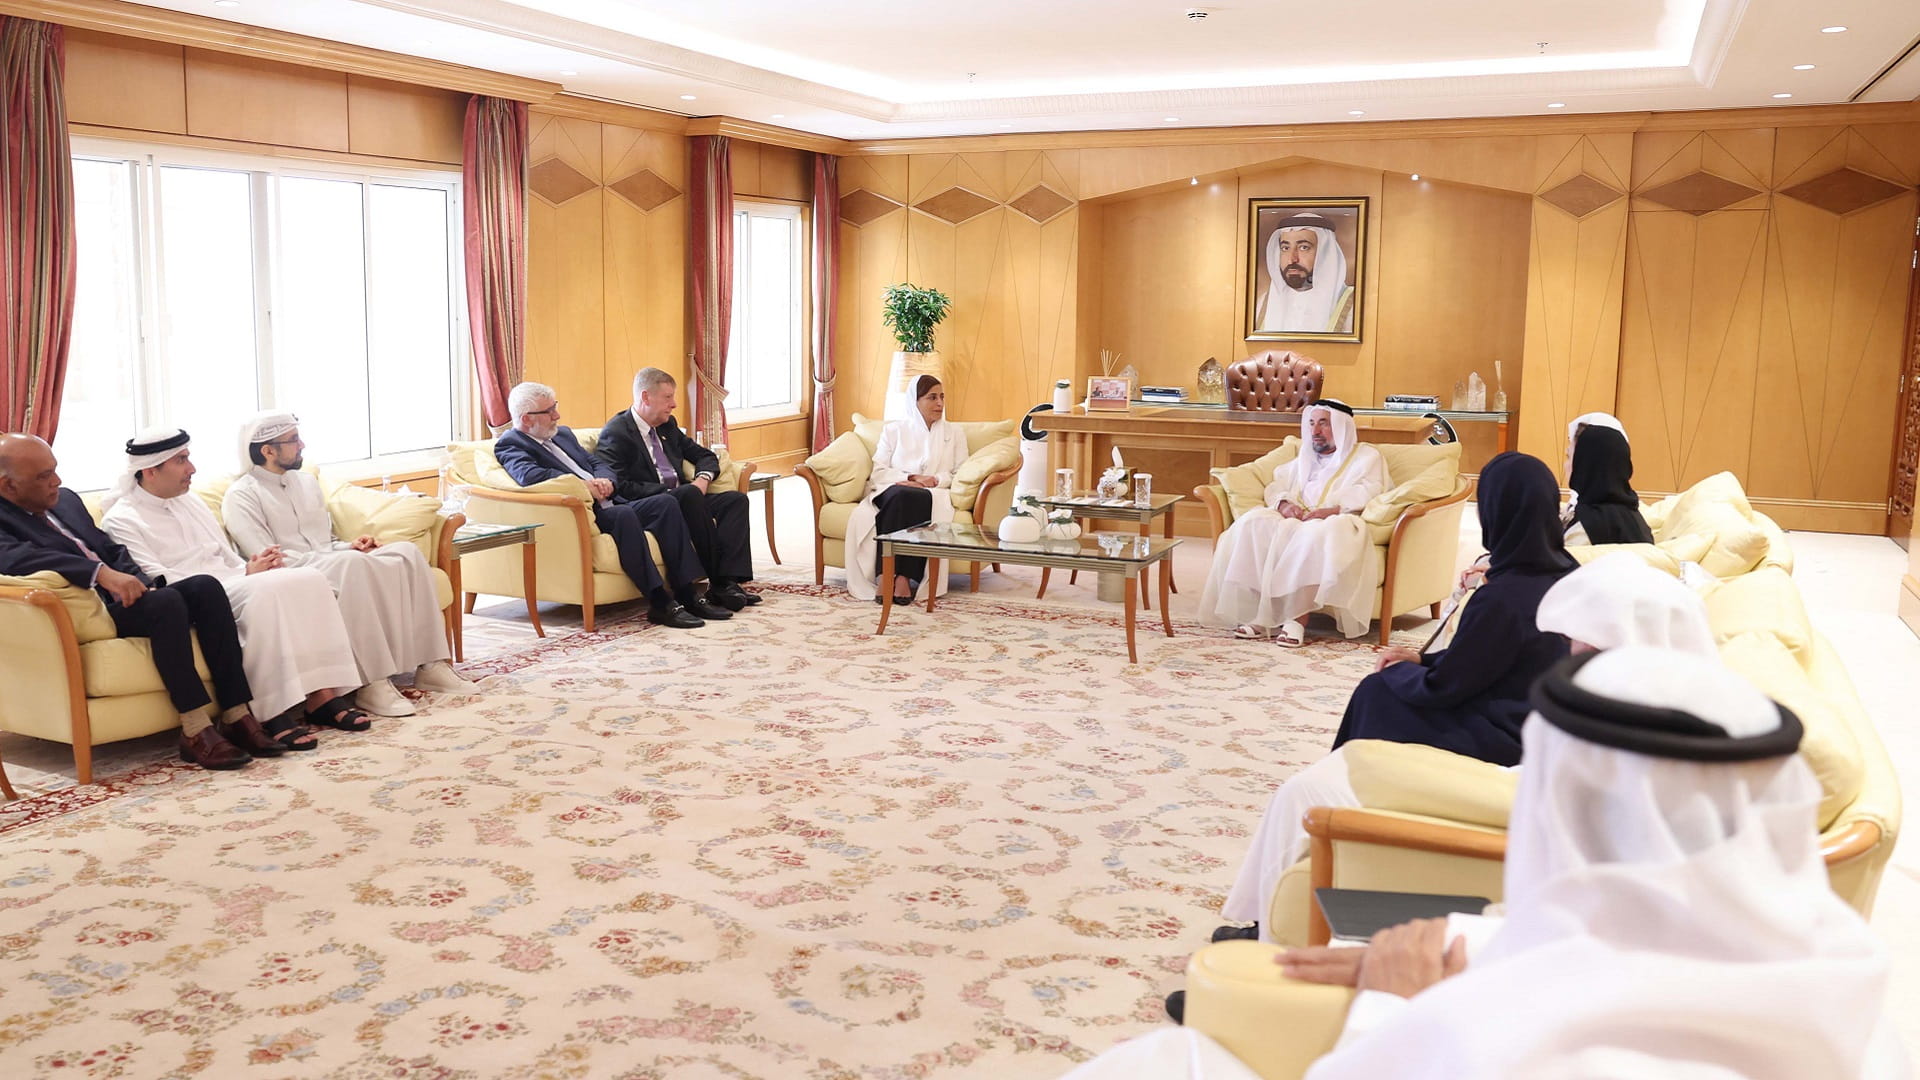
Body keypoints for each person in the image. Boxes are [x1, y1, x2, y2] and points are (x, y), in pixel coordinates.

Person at [1070, 647, 1907, 1080]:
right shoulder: (1834, 969)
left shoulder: (1524, 1039)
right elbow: (1622, 954)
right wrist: (1470, 952)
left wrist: (1394, 1006)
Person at [1213, 553, 1716, 949]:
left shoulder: (1620, 725)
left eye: (1583, 644)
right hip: (1505, 805)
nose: (1569, 653)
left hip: (1495, 836)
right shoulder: (1678, 718)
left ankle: (1267, 945)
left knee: (1309, 792)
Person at [0, 433, 269, 770]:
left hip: (126, 596)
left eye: (54, 470)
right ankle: (195, 728)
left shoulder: (65, 500)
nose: (57, 481)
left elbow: (109, 548)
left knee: (205, 588)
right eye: (44, 476)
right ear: (8, 486)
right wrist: (100, 574)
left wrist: (140, 582)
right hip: (93, 610)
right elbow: (17, 557)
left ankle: (236, 714)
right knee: (166, 604)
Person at [100, 428, 373, 746]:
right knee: (267, 592)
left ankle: (322, 696)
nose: (192, 468)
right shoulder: (121, 519)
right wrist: (242, 577)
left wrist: (250, 567)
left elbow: (226, 556)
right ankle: (270, 712)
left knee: (310, 578)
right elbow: (158, 581)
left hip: (233, 580)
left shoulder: (189, 501)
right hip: (200, 596)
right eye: (182, 461)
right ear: (150, 470)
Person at [223, 412, 482, 716]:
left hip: (332, 559)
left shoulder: (306, 482)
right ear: (268, 450)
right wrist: (338, 556)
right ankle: (372, 682)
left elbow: (325, 538)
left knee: (405, 553)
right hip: (294, 573)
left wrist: (351, 545)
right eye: (293, 440)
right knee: (351, 565)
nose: (302, 445)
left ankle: (432, 665)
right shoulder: (242, 496)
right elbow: (266, 557)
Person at [1329, 452, 1575, 765]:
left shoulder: (1502, 597)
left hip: (1509, 737)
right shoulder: (1571, 573)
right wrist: (1422, 659)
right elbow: (1485, 660)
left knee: (1377, 692)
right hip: (1547, 727)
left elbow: (1445, 687)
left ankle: (1348, 787)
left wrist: (1401, 671)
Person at [492, 382, 731, 629]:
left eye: (555, 407)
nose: (557, 415)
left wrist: (605, 480)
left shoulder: (562, 434)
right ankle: (660, 603)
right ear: (527, 419)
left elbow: (597, 463)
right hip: (587, 512)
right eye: (549, 411)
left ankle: (687, 593)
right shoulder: (511, 444)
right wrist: (584, 486)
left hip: (612, 499)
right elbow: (530, 476)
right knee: (623, 515)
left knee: (665, 503)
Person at [1198, 400, 1387, 647]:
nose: (1315, 431)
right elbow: (1276, 485)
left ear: (1342, 427)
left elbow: (1373, 490)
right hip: (1296, 519)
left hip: (1336, 520)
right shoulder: (1304, 456)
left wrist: (1332, 510)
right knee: (1253, 523)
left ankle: (1296, 620)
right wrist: (1284, 505)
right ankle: (1261, 616)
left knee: (1313, 536)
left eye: (1323, 424)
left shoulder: (1365, 457)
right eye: (1311, 423)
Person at [594, 367, 759, 612]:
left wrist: (703, 479)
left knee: (735, 501)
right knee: (688, 494)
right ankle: (718, 583)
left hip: (687, 497)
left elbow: (704, 456)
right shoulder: (617, 433)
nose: (674, 404)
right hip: (654, 503)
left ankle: (729, 580)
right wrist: (668, 492)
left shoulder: (667, 425)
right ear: (646, 397)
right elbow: (622, 486)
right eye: (668, 397)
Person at [843, 374, 971, 604]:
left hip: (931, 492)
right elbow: (878, 470)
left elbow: (960, 472)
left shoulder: (954, 433)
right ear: (915, 400)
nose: (940, 403)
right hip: (892, 489)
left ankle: (897, 576)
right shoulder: (894, 430)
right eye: (932, 397)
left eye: (942, 397)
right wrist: (910, 477)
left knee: (915, 497)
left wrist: (932, 480)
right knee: (903, 495)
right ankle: (892, 576)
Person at [1254, 213, 1355, 335]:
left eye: (1303, 247)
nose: (1292, 259)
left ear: (1325, 254)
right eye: (1285, 248)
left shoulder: (1352, 306)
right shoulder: (1264, 304)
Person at [1563, 423, 1652, 546]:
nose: (1565, 465)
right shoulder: (1639, 523)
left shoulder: (1583, 530)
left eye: (1568, 456)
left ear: (1584, 464)